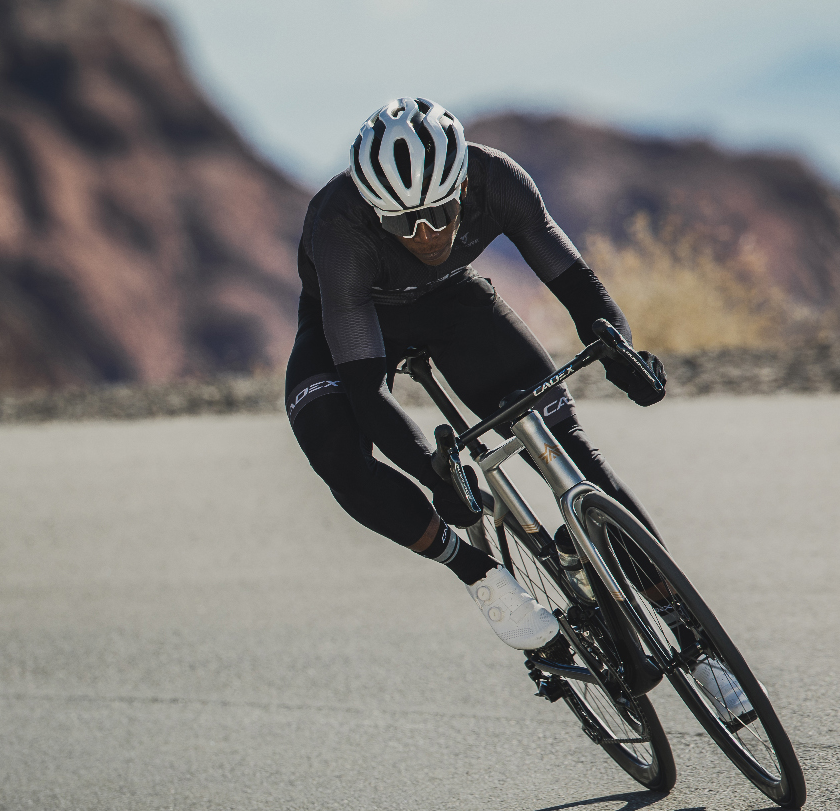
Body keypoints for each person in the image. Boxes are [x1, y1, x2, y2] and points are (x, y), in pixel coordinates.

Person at [285, 97, 671, 655]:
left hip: (451, 305)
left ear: (462, 188)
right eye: (400, 222)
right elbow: (366, 391)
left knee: (570, 450)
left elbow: (579, 285)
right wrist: (434, 475)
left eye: (437, 214)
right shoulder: (339, 225)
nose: (422, 234)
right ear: (374, 208)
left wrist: (619, 350)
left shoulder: (497, 179)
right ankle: (480, 574)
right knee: (333, 448)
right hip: (347, 329)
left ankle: (687, 629)